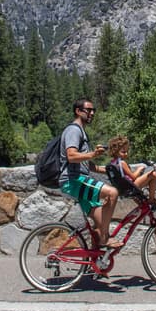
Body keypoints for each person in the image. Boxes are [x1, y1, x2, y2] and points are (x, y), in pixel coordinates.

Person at [57, 99, 119, 249]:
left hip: (80, 179)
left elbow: (87, 164)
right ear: (78, 111)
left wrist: (109, 170)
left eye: (93, 110)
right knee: (112, 193)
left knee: (99, 224)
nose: (92, 113)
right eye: (88, 110)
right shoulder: (74, 130)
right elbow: (71, 156)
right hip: (73, 180)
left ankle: (94, 268)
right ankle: (104, 239)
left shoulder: (82, 132)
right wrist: (93, 153)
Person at [105, 135, 156, 204]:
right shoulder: (122, 163)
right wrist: (139, 169)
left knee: (143, 202)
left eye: (127, 151)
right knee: (153, 174)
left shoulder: (112, 163)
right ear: (115, 151)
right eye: (123, 152)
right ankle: (151, 200)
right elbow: (133, 177)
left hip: (122, 189)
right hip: (131, 187)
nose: (126, 154)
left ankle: (143, 205)